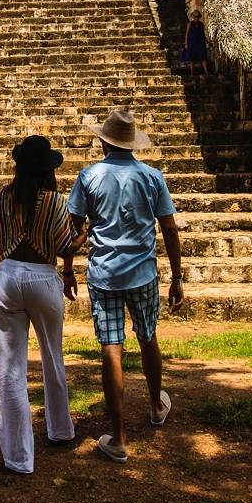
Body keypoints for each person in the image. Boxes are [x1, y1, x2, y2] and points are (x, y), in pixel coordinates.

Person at [66, 109, 184, 465]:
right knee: (148, 336)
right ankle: (154, 404)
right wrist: (177, 277)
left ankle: (117, 437)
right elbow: (170, 229)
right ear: (131, 143)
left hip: (104, 275)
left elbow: (73, 230)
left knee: (111, 349)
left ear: (104, 141)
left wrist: (68, 269)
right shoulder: (152, 177)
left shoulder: (88, 177)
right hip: (143, 274)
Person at [0, 135, 78, 475]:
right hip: (44, 278)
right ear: (47, 170)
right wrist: (80, 240)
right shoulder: (55, 202)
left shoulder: (0, 198)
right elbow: (65, 246)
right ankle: (61, 430)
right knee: (53, 356)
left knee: (10, 371)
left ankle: (19, 456)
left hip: (8, 277)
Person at [180, 9, 209, 77]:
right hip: (192, 42)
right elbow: (187, 34)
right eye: (195, 18)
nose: (196, 19)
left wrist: (206, 41)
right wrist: (186, 43)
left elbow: (202, 33)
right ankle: (192, 72)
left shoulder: (201, 24)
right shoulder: (190, 24)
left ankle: (206, 71)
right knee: (191, 57)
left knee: (203, 56)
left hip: (200, 41)